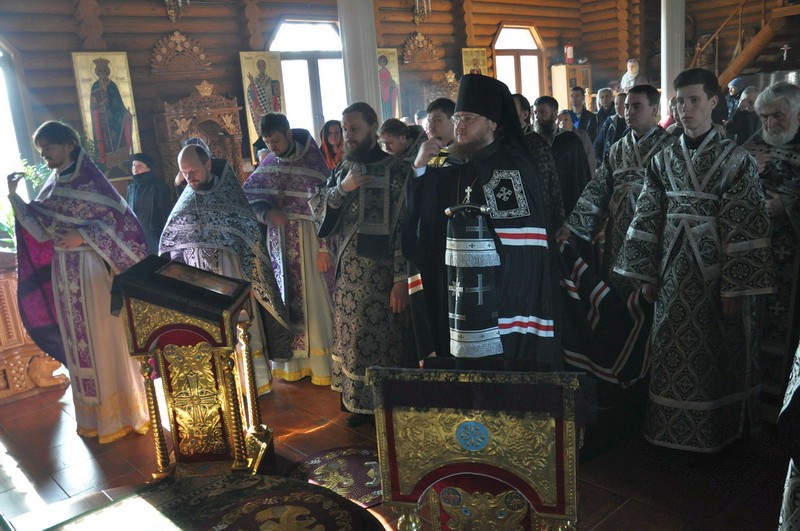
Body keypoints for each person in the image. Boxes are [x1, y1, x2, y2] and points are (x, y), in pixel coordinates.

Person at [614, 68, 775, 454]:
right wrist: (646, 274)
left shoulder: (736, 159)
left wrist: (735, 286)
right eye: (679, 101)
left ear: (714, 103)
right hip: (671, 276)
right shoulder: (664, 159)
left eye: (694, 100)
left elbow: (745, 223)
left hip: (715, 278)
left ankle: (717, 435)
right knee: (671, 348)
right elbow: (648, 217)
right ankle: (671, 435)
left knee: (715, 353)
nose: (685, 109)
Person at [404, 74, 562, 367]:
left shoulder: (510, 168)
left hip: (499, 298)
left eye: (469, 118)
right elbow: (422, 224)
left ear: (492, 123)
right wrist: (420, 168)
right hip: (453, 289)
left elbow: (524, 246)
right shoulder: (451, 163)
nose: (460, 125)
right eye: (458, 118)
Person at [8, 120, 149, 443]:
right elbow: (42, 231)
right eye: (41, 150)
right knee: (77, 340)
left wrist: (84, 236)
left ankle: (122, 414)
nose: (45, 155)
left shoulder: (93, 185)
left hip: (92, 271)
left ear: (69, 145)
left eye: (49, 147)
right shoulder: (52, 185)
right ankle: (93, 417)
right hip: (65, 271)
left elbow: (127, 227)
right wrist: (14, 197)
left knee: (102, 337)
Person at [309, 102, 414, 425]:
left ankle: (383, 407)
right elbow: (319, 209)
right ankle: (357, 405)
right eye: (344, 129)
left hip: (382, 275)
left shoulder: (397, 170)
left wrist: (401, 279)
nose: (347, 135)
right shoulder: (344, 168)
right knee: (351, 339)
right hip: (348, 272)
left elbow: (406, 229)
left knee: (382, 342)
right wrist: (344, 188)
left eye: (354, 128)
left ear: (372, 127)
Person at [160, 145, 292, 395]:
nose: (189, 178)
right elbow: (170, 244)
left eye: (194, 170)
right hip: (199, 282)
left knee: (241, 328)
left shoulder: (232, 198)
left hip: (233, 276)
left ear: (208, 164)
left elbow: (250, 239)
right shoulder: (184, 203)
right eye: (184, 173)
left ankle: (252, 385)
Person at [242, 113, 336, 386]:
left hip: (308, 241)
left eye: (276, 141)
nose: (272, 147)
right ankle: (289, 362)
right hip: (278, 243)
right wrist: (267, 212)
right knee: (284, 297)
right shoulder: (269, 162)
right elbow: (250, 198)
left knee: (313, 299)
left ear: (288, 134)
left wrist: (324, 250)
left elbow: (327, 209)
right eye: (268, 142)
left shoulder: (314, 162)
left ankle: (320, 364)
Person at [743, 81, 800, 421]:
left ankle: (789, 406)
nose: (769, 125)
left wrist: (789, 205)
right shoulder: (750, 146)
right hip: (754, 255)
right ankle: (753, 397)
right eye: (763, 117)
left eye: (777, 116)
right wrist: (750, 171)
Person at [532, 96, 591, 215]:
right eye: (535, 112)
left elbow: (581, 175)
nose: (537, 117)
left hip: (566, 200)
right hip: (538, 203)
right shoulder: (531, 141)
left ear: (554, 115)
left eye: (542, 112)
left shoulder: (570, 141)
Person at [89, 58, 133, 175]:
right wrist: (100, 104)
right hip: (103, 119)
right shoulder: (95, 86)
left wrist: (125, 113)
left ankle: (121, 162)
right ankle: (108, 165)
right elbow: (93, 105)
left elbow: (119, 102)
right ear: (97, 73)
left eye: (105, 72)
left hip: (115, 117)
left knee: (119, 139)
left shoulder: (112, 85)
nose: (103, 75)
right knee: (107, 142)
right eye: (100, 72)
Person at [126, 152, 172, 254]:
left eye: (139, 166)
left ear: (148, 168)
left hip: (154, 232)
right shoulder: (131, 187)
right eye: (133, 165)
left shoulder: (159, 187)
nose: (135, 168)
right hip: (136, 232)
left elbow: (165, 214)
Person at [593, 92, 628, 164]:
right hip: (608, 164)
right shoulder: (609, 122)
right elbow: (598, 143)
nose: (618, 106)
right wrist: (600, 161)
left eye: (621, 104)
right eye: (616, 104)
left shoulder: (633, 124)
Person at [246, 58, 281, 127]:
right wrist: (252, 83)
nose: (261, 67)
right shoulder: (255, 81)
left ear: (265, 66)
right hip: (260, 107)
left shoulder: (270, 79)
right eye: (260, 66)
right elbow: (251, 95)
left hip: (271, 106)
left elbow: (277, 95)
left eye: (263, 66)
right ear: (257, 67)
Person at [424, 97, 455, 167]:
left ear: (454, 121)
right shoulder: (427, 151)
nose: (431, 126)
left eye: (437, 120)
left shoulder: (461, 154)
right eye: (429, 121)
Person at [378, 55, 398, 120]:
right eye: (381, 61)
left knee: (388, 108)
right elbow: (377, 83)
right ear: (379, 63)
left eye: (383, 61)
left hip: (388, 94)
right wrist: (381, 84)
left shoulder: (388, 73)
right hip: (381, 94)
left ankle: (388, 119)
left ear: (386, 62)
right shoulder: (378, 73)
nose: (382, 63)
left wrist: (389, 84)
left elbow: (391, 82)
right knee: (382, 108)